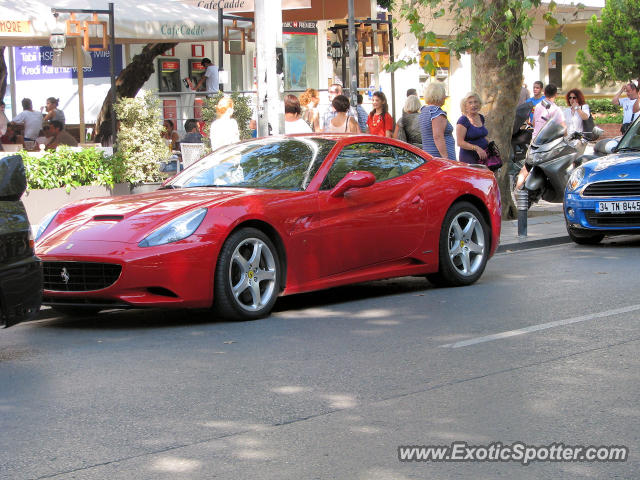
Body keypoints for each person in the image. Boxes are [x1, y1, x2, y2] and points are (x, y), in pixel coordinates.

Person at [516, 83, 565, 190]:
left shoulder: (538, 106)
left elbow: (533, 123)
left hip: (534, 140)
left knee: (527, 166)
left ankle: (517, 188)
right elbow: (563, 127)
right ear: (555, 94)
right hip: (547, 143)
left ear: (544, 92)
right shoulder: (556, 109)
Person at [419, 82, 456, 160]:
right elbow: (438, 136)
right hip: (440, 158)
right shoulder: (436, 112)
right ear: (439, 95)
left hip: (429, 156)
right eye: (444, 94)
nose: (445, 96)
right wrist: (446, 158)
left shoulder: (424, 111)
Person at [456, 92, 489, 165]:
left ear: (479, 103)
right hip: (469, 158)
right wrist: (476, 148)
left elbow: (481, 134)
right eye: (470, 103)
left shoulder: (481, 117)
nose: (473, 105)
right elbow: (460, 142)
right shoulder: (463, 120)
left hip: (483, 157)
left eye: (475, 102)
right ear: (465, 106)